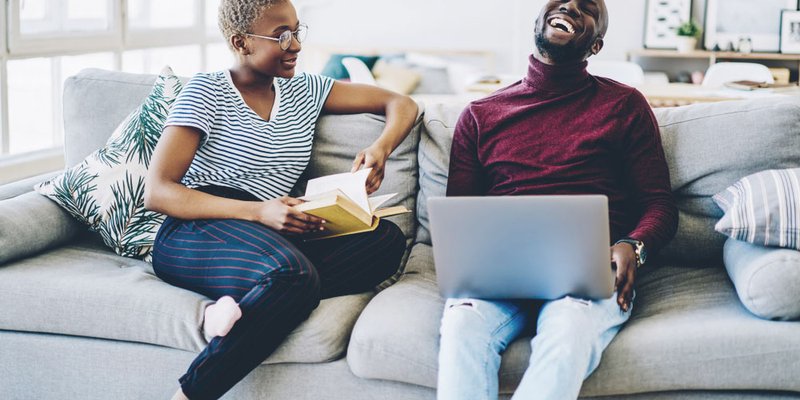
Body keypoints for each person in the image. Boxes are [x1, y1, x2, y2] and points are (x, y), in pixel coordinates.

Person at [144, 0, 418, 399]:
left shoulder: (304, 90)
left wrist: (381, 149)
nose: (295, 46)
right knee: (294, 276)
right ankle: (190, 393)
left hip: (275, 234)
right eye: (280, 36)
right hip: (198, 229)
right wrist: (258, 212)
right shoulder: (206, 91)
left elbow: (401, 103)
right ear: (241, 42)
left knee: (385, 242)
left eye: (297, 31)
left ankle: (242, 305)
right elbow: (159, 191)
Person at [436, 1, 678, 399]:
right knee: (462, 328)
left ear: (595, 46)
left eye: (587, 8)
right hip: (499, 275)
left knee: (568, 329)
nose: (570, 5)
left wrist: (634, 245)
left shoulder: (625, 106)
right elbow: (459, 216)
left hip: (589, 272)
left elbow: (659, 205)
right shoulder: (480, 114)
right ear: (537, 22)